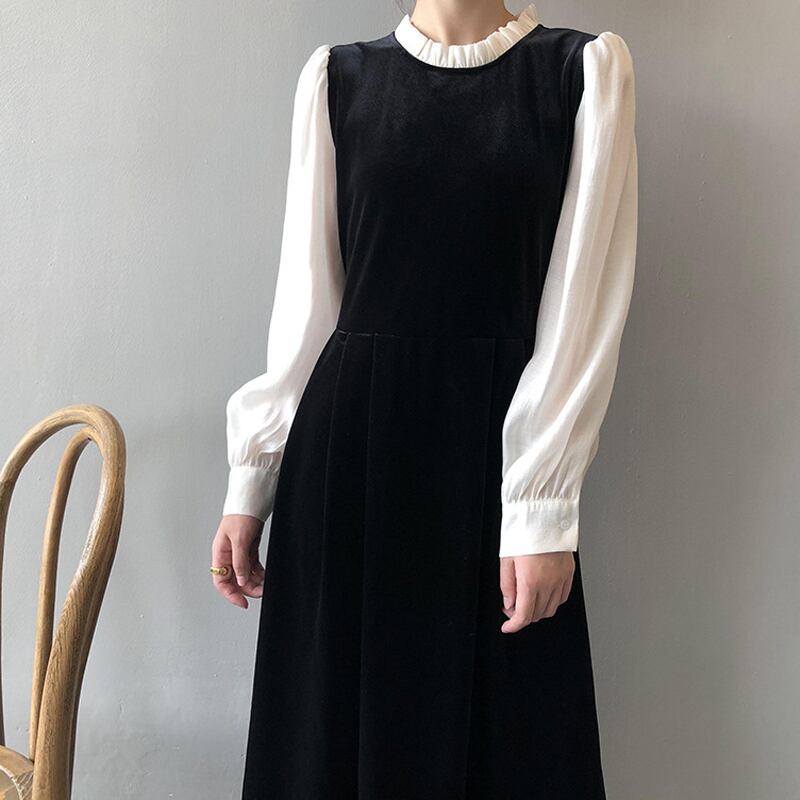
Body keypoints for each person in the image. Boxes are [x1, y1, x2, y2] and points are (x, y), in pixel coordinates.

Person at [211, 1, 637, 796]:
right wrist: (253, 479)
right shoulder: (339, 78)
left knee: (511, 745)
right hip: (346, 459)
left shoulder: (580, 72)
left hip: (496, 462)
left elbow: (584, 309)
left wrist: (542, 509)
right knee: (330, 746)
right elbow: (307, 303)